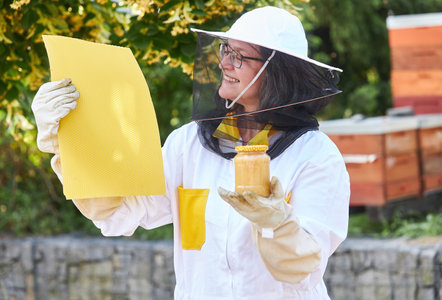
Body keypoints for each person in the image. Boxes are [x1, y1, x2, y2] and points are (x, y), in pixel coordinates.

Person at [32, 6, 350, 300]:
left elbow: (302, 271)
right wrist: (65, 143)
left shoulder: (316, 157)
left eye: (239, 56)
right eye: (226, 51)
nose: (224, 63)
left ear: (276, 71)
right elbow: (119, 212)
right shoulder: (189, 145)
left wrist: (277, 224)